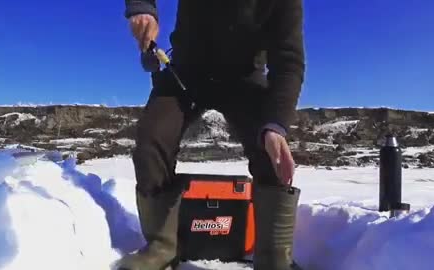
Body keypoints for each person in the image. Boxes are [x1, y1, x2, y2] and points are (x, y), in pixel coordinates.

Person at [113, 0, 305, 269]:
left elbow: (288, 63)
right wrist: (142, 7)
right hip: (186, 74)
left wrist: (275, 125)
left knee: (272, 150)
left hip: (245, 80)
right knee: (151, 140)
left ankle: (274, 256)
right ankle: (161, 247)